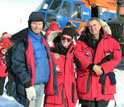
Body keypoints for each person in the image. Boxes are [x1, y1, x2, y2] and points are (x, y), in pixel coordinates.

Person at [9, 12, 58, 107]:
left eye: (39, 23)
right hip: (30, 85)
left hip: (42, 84)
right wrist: (27, 85)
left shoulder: (43, 40)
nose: (37, 26)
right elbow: (18, 65)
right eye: (34, 23)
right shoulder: (23, 42)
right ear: (29, 24)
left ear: (43, 25)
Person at [74, 17, 122, 107]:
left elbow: (117, 57)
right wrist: (92, 66)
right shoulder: (81, 42)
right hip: (87, 86)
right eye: (90, 26)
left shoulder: (111, 41)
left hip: (103, 86)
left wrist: (104, 68)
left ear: (100, 26)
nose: (92, 28)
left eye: (94, 25)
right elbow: (78, 55)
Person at [44, 26, 80, 107]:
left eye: (68, 39)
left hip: (69, 93)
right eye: (63, 38)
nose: (65, 41)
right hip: (55, 92)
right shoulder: (51, 51)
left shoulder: (74, 52)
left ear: (71, 41)